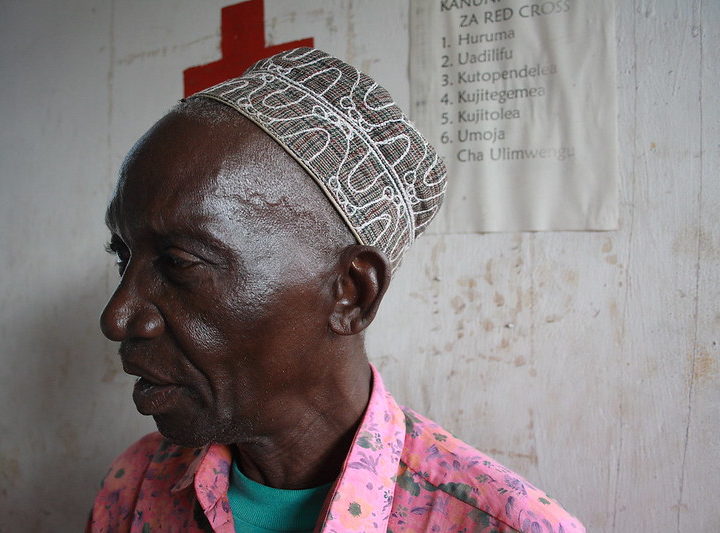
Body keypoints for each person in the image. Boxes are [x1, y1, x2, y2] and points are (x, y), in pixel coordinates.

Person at [88, 47, 584, 533]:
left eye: (179, 263)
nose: (118, 316)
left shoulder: (498, 523)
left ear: (352, 293)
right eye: (123, 256)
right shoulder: (136, 485)